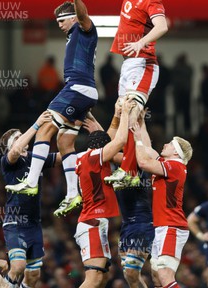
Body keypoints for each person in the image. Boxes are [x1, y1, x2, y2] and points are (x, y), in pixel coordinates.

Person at [6, 0, 98, 218]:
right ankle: (72, 194)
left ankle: (32, 180)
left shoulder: (84, 29)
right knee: (65, 142)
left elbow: (83, 15)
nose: (58, 24)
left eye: (61, 20)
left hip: (77, 88)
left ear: (72, 17)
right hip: (83, 92)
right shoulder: (73, 37)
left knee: (45, 126)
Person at [103, 0, 169, 188]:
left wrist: (141, 43)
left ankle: (128, 170)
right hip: (129, 64)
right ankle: (140, 167)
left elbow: (162, 26)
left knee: (130, 111)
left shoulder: (152, 0)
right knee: (128, 115)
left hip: (144, 64)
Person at [83, 104, 155, 288]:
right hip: (126, 224)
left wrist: (136, 121)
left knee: (134, 270)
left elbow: (124, 145)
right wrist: (101, 123)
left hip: (142, 221)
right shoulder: (114, 162)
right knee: (130, 275)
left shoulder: (137, 161)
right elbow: (107, 144)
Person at [74, 98, 134, 288]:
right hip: (91, 223)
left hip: (95, 222)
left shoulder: (86, 157)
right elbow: (120, 141)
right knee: (92, 279)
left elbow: (107, 139)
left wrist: (115, 116)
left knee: (101, 278)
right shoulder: (95, 158)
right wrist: (125, 112)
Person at [0, 111, 61, 288]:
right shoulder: (8, 161)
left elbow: (61, 158)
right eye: (17, 137)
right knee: (18, 267)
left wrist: (66, 132)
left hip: (34, 224)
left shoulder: (36, 158)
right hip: (15, 221)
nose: (22, 138)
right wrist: (36, 124)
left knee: (33, 277)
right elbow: (16, 150)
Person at [131, 119, 193, 288]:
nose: (166, 143)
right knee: (157, 276)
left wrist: (136, 140)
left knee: (165, 275)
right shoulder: (169, 164)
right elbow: (148, 149)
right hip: (163, 226)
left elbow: (143, 162)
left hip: (171, 227)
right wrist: (141, 122)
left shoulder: (174, 166)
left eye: (171, 144)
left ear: (177, 153)